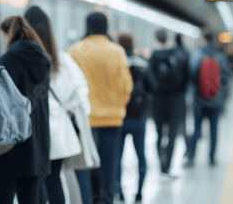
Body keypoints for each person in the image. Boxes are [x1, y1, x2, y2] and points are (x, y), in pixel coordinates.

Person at [25, 6, 93, 204]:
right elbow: (81, 93)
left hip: (33, 132)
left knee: (34, 182)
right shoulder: (62, 60)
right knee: (54, 180)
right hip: (59, 133)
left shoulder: (22, 59)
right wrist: (69, 107)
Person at [69, 12, 133, 204]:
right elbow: (126, 85)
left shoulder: (75, 51)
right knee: (109, 165)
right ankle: (106, 200)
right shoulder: (117, 51)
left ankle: (87, 200)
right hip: (112, 119)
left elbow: (70, 86)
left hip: (84, 121)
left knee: (86, 165)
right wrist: (118, 106)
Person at [0, 15, 51, 204]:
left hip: (12, 147)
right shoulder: (43, 59)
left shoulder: (8, 60)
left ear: (9, 34)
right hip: (38, 145)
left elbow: (2, 103)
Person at [116, 32, 157, 203]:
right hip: (139, 117)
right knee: (141, 154)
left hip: (119, 117)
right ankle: (139, 192)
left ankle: (119, 191)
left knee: (117, 156)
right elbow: (154, 86)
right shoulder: (142, 63)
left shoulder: (116, 62)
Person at [184, 30, 230, 167]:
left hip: (199, 99)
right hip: (216, 99)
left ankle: (192, 156)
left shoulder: (196, 55)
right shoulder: (221, 56)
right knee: (213, 129)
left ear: (203, 38)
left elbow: (191, 76)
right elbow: (226, 77)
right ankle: (212, 157)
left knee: (197, 128)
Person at [149, 29, 188, 177]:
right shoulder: (178, 56)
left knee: (159, 134)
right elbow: (187, 77)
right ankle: (167, 166)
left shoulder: (153, 57)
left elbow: (149, 80)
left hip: (158, 100)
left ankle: (161, 165)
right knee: (172, 134)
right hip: (176, 99)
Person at [174, 34, 191, 154]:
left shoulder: (173, 54)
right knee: (183, 123)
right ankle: (187, 148)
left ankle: (170, 149)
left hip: (173, 95)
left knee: (172, 124)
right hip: (184, 93)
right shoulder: (186, 53)